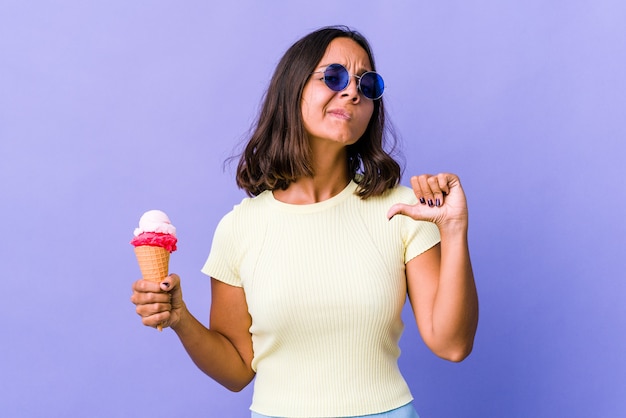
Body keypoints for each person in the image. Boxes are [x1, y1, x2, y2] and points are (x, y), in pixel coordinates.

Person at [131, 25, 478, 418]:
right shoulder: (239, 228)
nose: (352, 92)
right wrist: (180, 319)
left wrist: (453, 230)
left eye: (368, 85)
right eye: (334, 77)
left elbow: (452, 345)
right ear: (292, 89)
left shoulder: (402, 210)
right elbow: (236, 370)